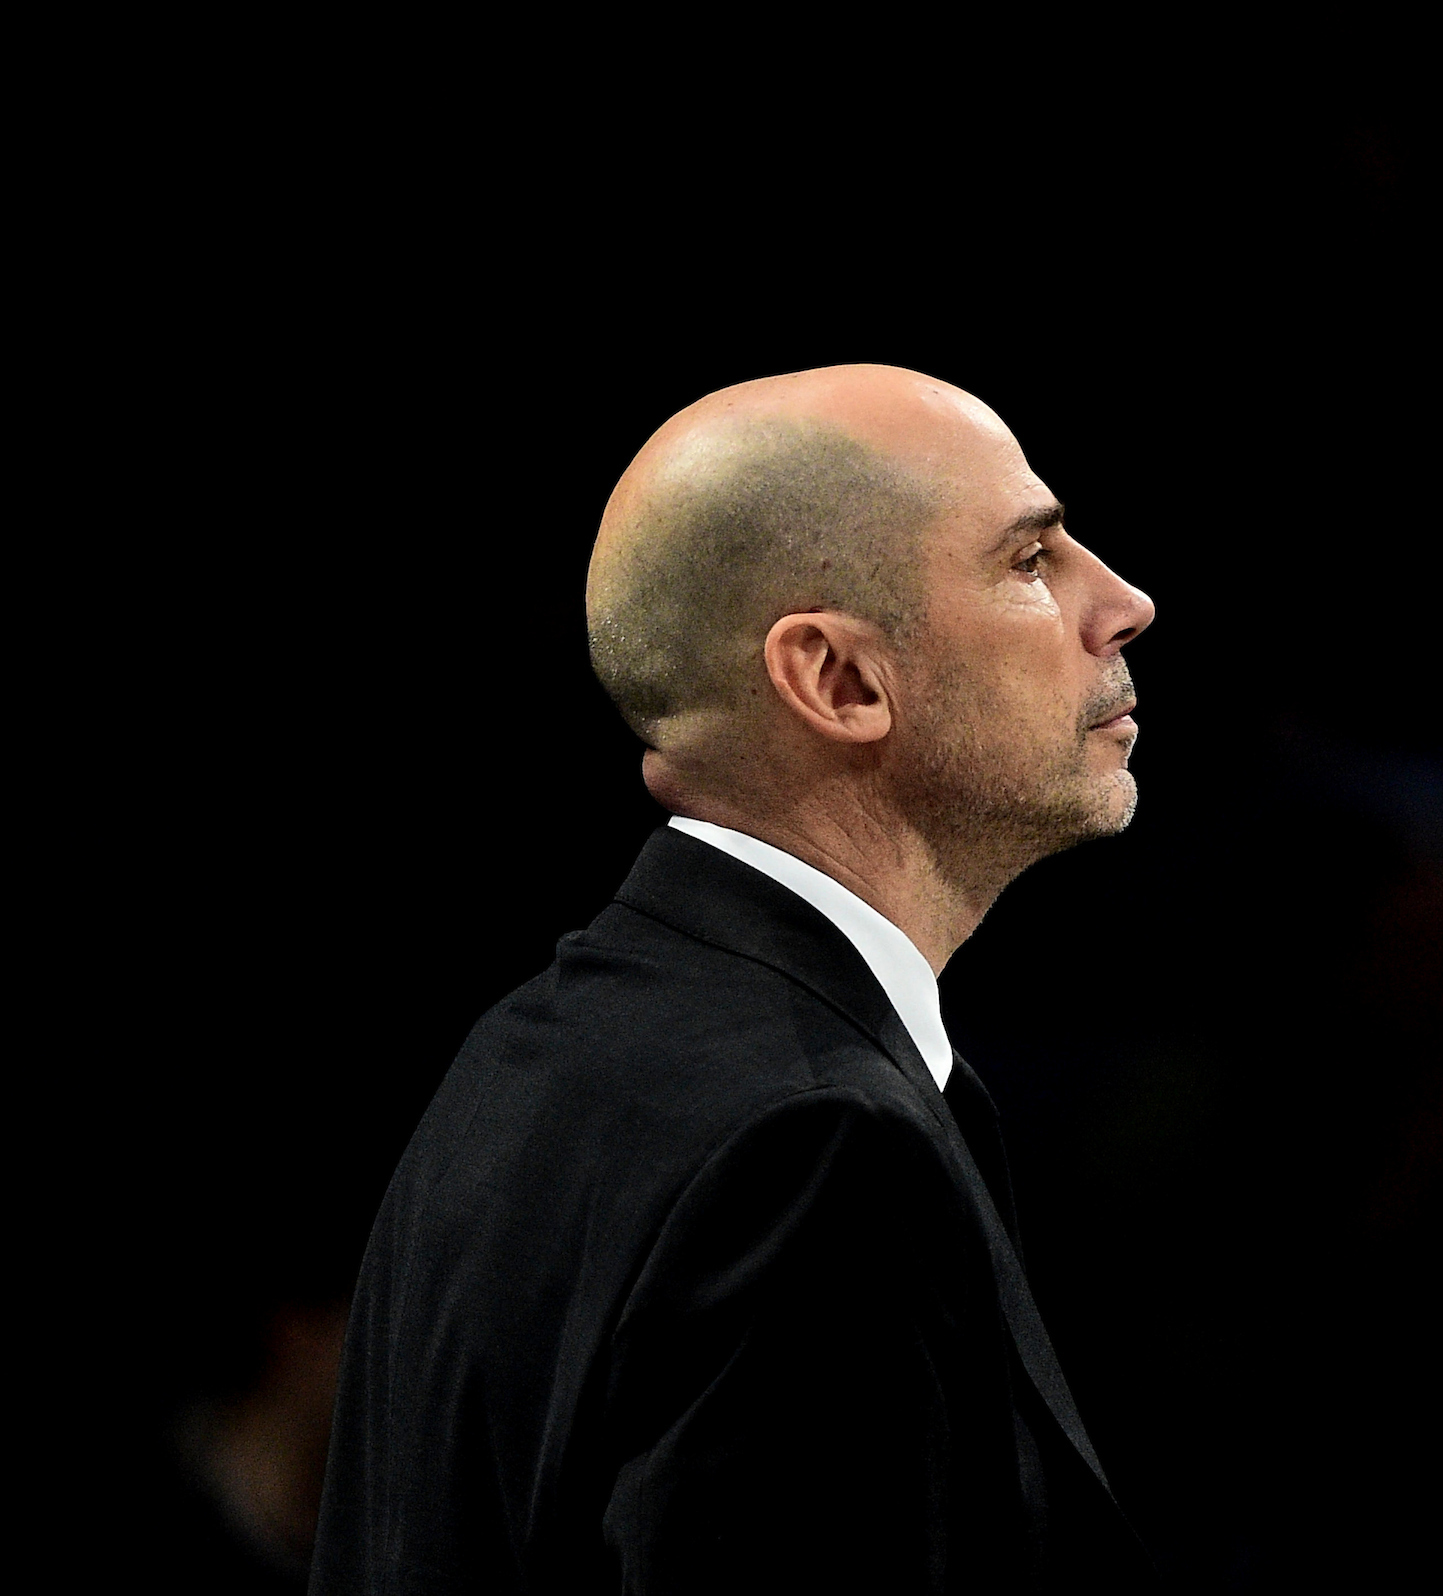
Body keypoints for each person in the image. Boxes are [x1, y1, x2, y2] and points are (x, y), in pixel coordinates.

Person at [311, 366, 1159, 1592]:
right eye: (1032, 561)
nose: (1124, 602)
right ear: (841, 682)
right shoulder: (812, 1152)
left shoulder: (532, 1058)